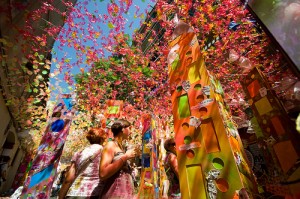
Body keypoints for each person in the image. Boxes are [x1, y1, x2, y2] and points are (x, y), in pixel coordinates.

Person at [58, 128, 107, 199]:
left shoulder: (79, 153)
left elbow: (69, 178)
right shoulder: (105, 153)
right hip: (94, 193)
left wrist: (61, 196)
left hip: (74, 193)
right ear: (103, 138)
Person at [99, 119, 138, 199]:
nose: (131, 132)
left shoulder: (120, 147)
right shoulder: (110, 145)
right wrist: (125, 157)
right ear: (123, 129)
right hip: (114, 193)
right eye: (129, 128)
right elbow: (103, 173)